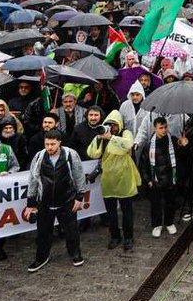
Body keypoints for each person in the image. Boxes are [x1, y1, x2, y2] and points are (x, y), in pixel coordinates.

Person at [22, 129, 87, 272]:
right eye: (47, 144)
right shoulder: (39, 156)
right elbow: (33, 179)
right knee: (43, 232)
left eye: (53, 144)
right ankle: (42, 257)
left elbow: (79, 176)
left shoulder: (70, 155)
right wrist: (31, 204)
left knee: (71, 231)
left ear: (59, 143)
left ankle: (75, 253)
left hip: (67, 200)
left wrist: (79, 197)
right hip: (44, 202)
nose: (50, 147)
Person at [88, 110, 140, 250]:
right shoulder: (102, 136)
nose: (111, 127)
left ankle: (128, 237)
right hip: (108, 178)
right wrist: (99, 138)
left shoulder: (125, 133)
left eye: (114, 124)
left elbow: (128, 145)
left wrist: (112, 137)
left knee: (127, 210)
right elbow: (92, 153)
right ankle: (114, 236)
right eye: (108, 124)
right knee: (111, 211)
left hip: (124, 177)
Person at [140, 117, 179, 237]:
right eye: (161, 128)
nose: (164, 130)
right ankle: (157, 225)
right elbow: (143, 165)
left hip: (170, 178)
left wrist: (184, 145)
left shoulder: (173, 141)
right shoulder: (149, 145)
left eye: (165, 127)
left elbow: (181, 158)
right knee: (155, 204)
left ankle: (169, 222)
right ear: (155, 128)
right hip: (155, 180)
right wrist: (148, 180)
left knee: (170, 202)